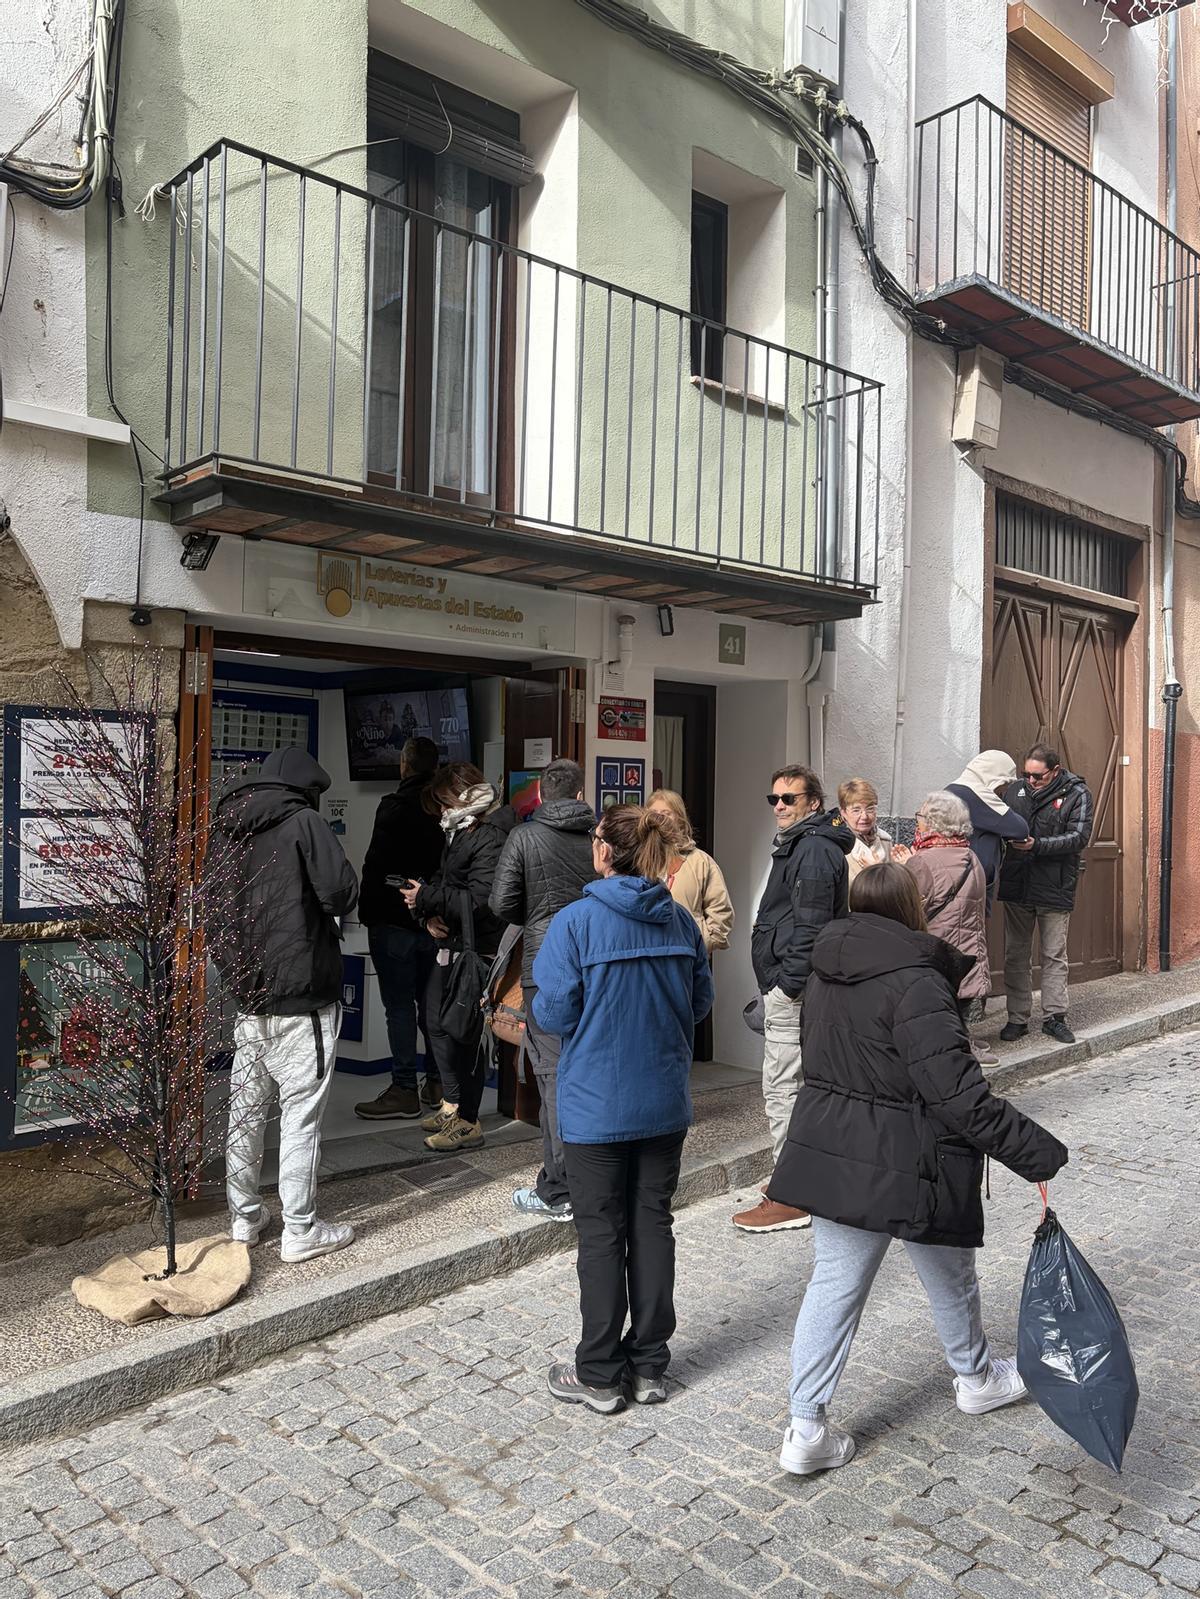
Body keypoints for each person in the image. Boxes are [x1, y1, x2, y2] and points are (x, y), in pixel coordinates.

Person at [766, 862, 1068, 1475]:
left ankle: (806, 1427)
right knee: (950, 1274)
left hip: (835, 1150)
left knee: (835, 1284)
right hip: (914, 1159)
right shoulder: (917, 981)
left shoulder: (823, 969)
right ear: (914, 909)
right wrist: (1034, 1150)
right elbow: (959, 1095)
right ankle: (975, 1378)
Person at [532, 805, 713, 1414]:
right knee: (652, 1226)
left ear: (604, 851)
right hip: (662, 1100)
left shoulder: (575, 922)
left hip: (595, 1107)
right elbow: (699, 1005)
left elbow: (553, 1013)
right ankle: (649, 1366)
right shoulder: (680, 921)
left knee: (601, 1235)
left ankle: (600, 1373)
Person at [209, 747, 360, 1263]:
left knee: (245, 1113)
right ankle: (300, 1228)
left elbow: (212, 912)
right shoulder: (305, 822)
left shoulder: (226, 827)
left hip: (248, 998)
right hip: (304, 996)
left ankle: (244, 1219)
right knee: (301, 1115)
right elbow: (341, 895)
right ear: (306, 788)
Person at [734, 764, 853, 1235]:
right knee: (796, 1086)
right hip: (793, 986)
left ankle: (792, 1196)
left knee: (781, 1087)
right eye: (774, 799)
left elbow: (811, 927)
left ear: (813, 803)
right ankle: (801, 1178)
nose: (779, 806)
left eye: (789, 798)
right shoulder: (803, 843)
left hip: (795, 990)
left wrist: (786, 986)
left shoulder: (815, 849)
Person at [490, 758, 597, 1224]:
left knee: (552, 1075)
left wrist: (536, 914)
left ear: (541, 795)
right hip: (595, 963)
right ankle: (592, 1175)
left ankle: (559, 1188)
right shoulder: (599, 836)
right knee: (589, 1069)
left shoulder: (524, 836)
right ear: (580, 794)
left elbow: (501, 902)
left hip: (543, 965)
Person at [400, 765, 518, 1151]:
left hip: (478, 949)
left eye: (443, 802)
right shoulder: (460, 830)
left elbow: (482, 899)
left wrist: (427, 898)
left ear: (463, 796)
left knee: (463, 1033)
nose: (440, 811)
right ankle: (453, 1105)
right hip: (454, 942)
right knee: (436, 1022)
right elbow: (445, 882)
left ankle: (468, 1119)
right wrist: (426, 911)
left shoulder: (489, 834)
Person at [354, 737, 445, 1121]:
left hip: (393, 923)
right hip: (436, 923)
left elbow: (376, 867)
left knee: (399, 1008)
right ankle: (438, 1084)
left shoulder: (393, 808)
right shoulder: (444, 810)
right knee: (432, 1007)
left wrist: (370, 911)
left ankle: (404, 1088)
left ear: (404, 766)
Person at [998, 744, 1094, 1047]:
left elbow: (1079, 837)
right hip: (1017, 882)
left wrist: (1036, 845)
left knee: (1053, 955)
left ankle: (1054, 1018)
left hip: (1054, 885)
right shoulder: (1015, 791)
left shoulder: (1077, 793)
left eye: (1037, 776)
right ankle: (1017, 1018)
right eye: (1026, 774)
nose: (1030, 780)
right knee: (1015, 953)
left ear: (1055, 771)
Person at [903, 791, 995, 1065]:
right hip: (969, 949)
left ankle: (963, 1050)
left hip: (938, 950)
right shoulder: (970, 855)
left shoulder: (922, 861)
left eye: (920, 815)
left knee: (942, 1008)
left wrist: (901, 868)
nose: (917, 821)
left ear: (934, 822)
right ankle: (966, 1040)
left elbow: (912, 910)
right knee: (958, 1004)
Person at [646, 789, 735, 953]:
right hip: (648, 955)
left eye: (666, 813)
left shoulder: (701, 862)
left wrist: (702, 944)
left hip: (688, 956)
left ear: (679, 819)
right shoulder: (638, 860)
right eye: (654, 813)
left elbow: (721, 911)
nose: (659, 819)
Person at [943, 751, 1030, 913]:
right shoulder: (978, 794)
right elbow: (1020, 829)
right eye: (1006, 784)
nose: (1004, 790)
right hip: (971, 882)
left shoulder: (951, 789)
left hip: (951, 875)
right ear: (996, 777)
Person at [837, 779, 892, 883]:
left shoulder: (886, 842)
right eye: (856, 810)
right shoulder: (838, 845)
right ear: (843, 813)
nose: (864, 816)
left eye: (870, 809)